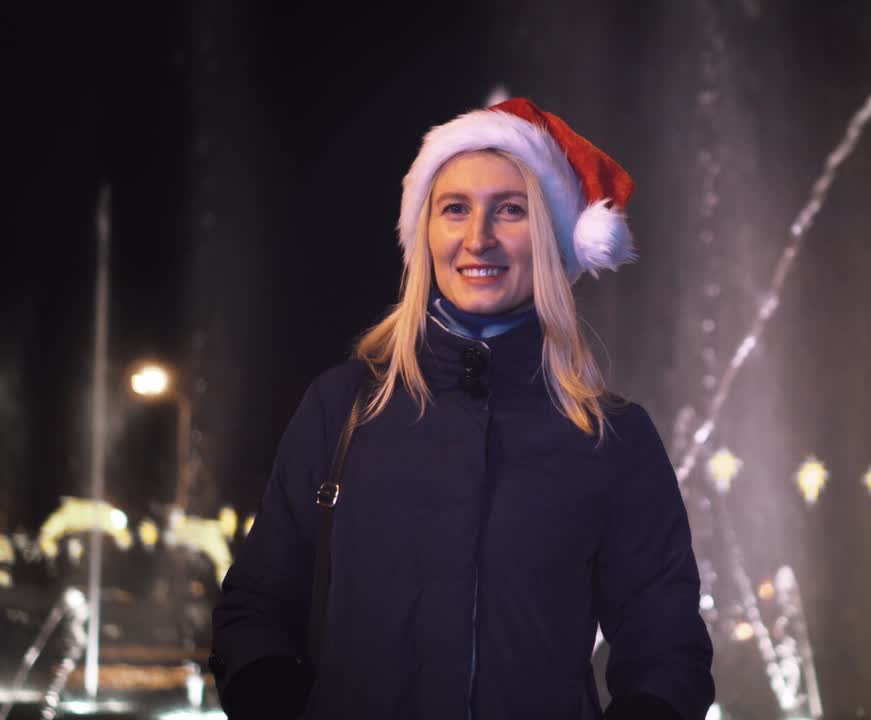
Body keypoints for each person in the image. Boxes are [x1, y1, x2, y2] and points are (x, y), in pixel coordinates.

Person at [209, 98, 715, 719]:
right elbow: (256, 610)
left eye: (511, 209)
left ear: (553, 238)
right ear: (425, 233)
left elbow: (668, 653)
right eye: (455, 209)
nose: (479, 238)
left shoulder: (613, 436)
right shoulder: (342, 408)